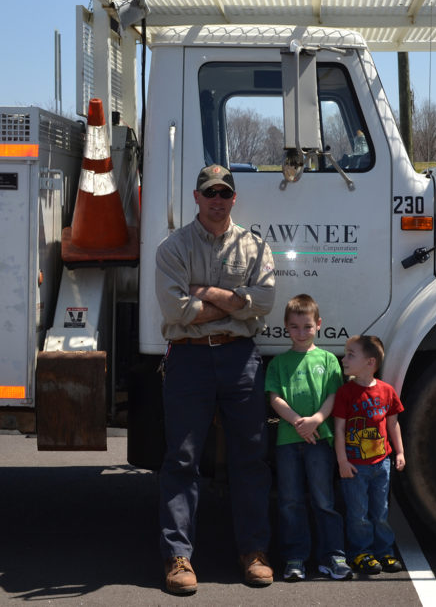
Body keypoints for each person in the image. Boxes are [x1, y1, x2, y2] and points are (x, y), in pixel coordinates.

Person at [154, 164, 276, 595]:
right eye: (210, 193)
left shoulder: (255, 246)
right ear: (196, 197)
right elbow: (176, 312)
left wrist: (205, 293)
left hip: (240, 359)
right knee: (182, 461)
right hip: (188, 361)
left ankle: (255, 552)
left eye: (225, 193)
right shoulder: (173, 247)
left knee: (251, 459)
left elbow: (264, 300)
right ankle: (177, 557)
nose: (217, 200)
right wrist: (236, 303)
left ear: (234, 199)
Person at [265, 294, 352, 582]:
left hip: (320, 441)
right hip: (288, 443)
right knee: (290, 501)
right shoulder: (279, 363)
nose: (301, 333)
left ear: (319, 325)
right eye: (294, 327)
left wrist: (315, 420)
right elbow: (274, 398)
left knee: (323, 499)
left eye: (307, 326)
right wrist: (296, 422)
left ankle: (333, 556)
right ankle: (295, 557)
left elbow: (333, 396)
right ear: (285, 328)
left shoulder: (328, 360)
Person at [332, 335, 406, 575]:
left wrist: (400, 452)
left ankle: (384, 552)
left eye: (351, 354)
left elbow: (393, 424)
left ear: (370, 362)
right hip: (355, 466)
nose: (344, 359)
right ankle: (360, 553)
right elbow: (340, 429)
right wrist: (342, 461)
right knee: (358, 513)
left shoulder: (387, 392)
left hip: (381, 463)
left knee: (381, 511)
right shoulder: (346, 393)